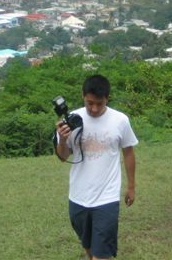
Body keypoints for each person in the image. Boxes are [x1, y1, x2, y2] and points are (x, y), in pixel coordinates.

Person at [55, 74, 138, 260]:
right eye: (89, 103)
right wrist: (62, 139)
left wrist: (131, 187)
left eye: (99, 104)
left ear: (107, 98)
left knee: (101, 255)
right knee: (89, 249)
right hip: (78, 198)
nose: (94, 109)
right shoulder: (71, 120)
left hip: (107, 198)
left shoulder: (120, 120)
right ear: (83, 96)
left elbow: (128, 152)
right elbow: (62, 157)